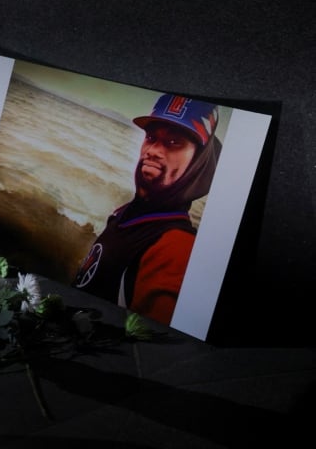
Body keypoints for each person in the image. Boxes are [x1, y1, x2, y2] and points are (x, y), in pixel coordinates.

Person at [72, 94, 222, 325]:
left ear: (198, 161)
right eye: (151, 137)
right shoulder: (126, 214)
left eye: (173, 142)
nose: (153, 150)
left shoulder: (176, 247)